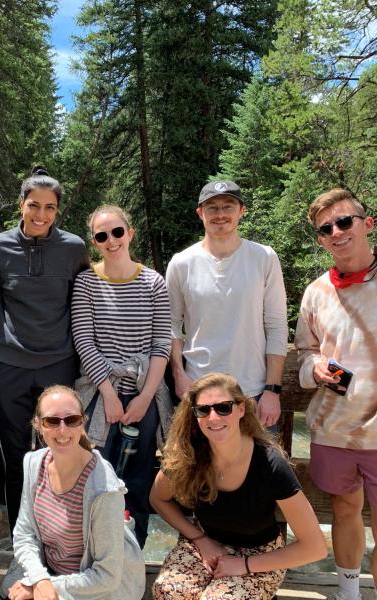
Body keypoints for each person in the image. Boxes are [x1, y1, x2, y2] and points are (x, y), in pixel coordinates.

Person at [150, 373, 326, 599]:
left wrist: (244, 564)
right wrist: (200, 540)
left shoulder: (270, 463)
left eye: (224, 408)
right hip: (205, 542)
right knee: (168, 591)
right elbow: (158, 498)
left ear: (241, 409)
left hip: (259, 554)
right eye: (203, 410)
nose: (213, 417)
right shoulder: (189, 454)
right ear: (194, 415)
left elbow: (314, 547)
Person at [0, 166, 89, 533]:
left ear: (58, 210)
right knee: (15, 457)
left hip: (58, 365)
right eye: (34, 205)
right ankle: (21, 539)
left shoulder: (74, 247)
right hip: (10, 366)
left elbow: (84, 298)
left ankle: (60, 536)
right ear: (21, 205)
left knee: (60, 451)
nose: (41, 214)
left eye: (49, 207)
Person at [71, 204, 173, 547]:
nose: (111, 240)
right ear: (95, 242)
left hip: (144, 396)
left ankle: (131, 558)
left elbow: (162, 345)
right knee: (93, 477)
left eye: (117, 232)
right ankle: (93, 557)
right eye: (102, 236)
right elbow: (84, 341)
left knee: (138, 478)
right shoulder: (86, 283)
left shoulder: (154, 282)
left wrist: (144, 398)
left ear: (130, 233)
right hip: (101, 397)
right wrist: (110, 395)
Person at [295, 188, 377, 600]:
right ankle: (348, 593)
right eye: (326, 228)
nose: (336, 232)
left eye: (344, 221)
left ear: (367, 223)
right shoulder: (315, 292)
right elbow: (304, 352)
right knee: (345, 511)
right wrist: (315, 368)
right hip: (334, 428)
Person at [1, 385, 145, 600]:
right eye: (51, 421)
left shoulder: (104, 488)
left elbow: (107, 576)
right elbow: (24, 534)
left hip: (97, 587)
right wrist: (39, 578)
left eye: (71, 420)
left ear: (82, 423)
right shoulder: (33, 462)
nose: (62, 430)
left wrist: (45, 586)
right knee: (9, 592)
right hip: (51, 572)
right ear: (38, 425)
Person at [165, 180, 288, 428]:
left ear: (241, 211)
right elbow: (171, 325)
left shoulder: (264, 257)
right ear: (200, 213)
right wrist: (179, 375)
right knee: (198, 467)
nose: (220, 214)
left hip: (252, 393)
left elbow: (276, 325)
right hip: (199, 390)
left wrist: (272, 390)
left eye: (228, 206)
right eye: (212, 207)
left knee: (258, 467)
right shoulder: (181, 263)